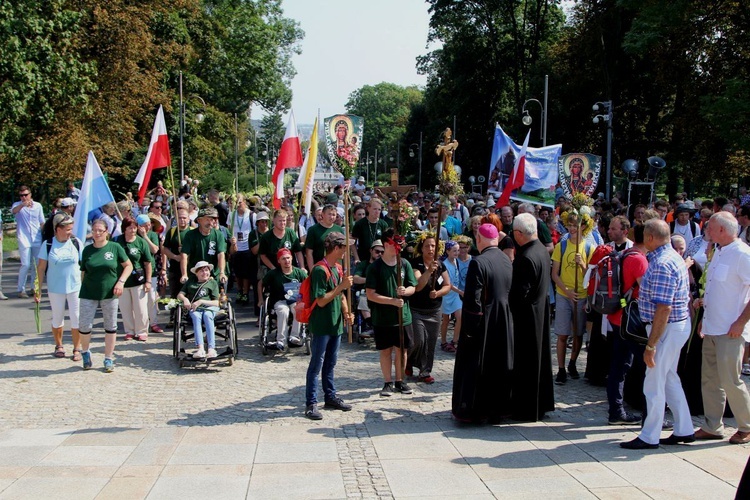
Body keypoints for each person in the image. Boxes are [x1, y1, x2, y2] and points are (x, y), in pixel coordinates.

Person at [620, 219, 693, 449]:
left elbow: (664, 308)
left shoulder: (662, 262)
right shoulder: (670, 257)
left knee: (653, 382)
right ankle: (684, 428)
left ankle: (649, 436)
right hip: (672, 327)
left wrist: (651, 346)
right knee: (669, 378)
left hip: (666, 328)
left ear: (650, 238)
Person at [693, 212, 750, 444]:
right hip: (713, 328)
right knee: (710, 380)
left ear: (723, 231)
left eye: (710, 228)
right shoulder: (718, 251)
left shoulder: (743, 254)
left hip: (731, 330)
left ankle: (746, 425)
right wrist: (704, 315)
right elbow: (716, 288)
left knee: (730, 380)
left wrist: (741, 323)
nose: (706, 232)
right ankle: (712, 425)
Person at [452, 223, 514, 423]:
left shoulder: (478, 263)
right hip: (504, 319)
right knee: (499, 366)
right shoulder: (507, 259)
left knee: (478, 366)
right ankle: (500, 409)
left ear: (479, 240)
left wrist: (469, 328)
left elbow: (473, 299)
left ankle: (475, 410)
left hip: (484, 320)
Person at [508, 213, 555, 421]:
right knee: (540, 362)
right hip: (540, 313)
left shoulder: (525, 257)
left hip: (526, 317)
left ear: (518, 234)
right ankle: (540, 404)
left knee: (526, 365)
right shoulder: (542, 251)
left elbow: (520, 292)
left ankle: (526, 408)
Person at [304, 232, 355, 420]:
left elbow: (341, 296)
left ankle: (330, 396)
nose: (345, 252)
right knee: (316, 364)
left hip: (335, 324)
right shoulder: (319, 270)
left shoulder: (338, 268)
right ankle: (311, 402)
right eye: (344, 248)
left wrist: (346, 312)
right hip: (322, 324)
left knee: (331, 363)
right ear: (336, 248)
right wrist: (341, 287)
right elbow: (322, 300)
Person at [366, 228, 418, 397]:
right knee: (386, 350)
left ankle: (400, 381)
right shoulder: (375, 267)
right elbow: (371, 294)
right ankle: (387, 382)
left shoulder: (404, 264)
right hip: (383, 317)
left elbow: (413, 286)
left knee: (401, 350)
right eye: (395, 244)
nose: (398, 248)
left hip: (403, 316)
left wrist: (406, 291)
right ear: (387, 244)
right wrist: (392, 301)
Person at [78, 219, 133, 372]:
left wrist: (121, 282)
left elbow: (128, 265)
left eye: (100, 230)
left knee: (110, 326)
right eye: (94, 230)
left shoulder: (114, 247)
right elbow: (84, 271)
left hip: (110, 291)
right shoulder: (87, 250)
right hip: (89, 291)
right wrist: (83, 286)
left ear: (106, 232)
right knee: (84, 325)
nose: (96, 233)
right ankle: (85, 352)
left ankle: (108, 358)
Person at [551, 212, 594, 385]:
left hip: (581, 296)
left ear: (583, 227)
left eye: (575, 225)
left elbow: (590, 277)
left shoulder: (589, 248)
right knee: (562, 334)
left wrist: (583, 265)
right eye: (569, 225)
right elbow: (554, 274)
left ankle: (572, 363)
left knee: (577, 334)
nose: (571, 228)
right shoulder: (561, 246)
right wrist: (567, 291)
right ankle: (560, 368)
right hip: (564, 294)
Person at [35, 213, 83, 360]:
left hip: (74, 286)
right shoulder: (48, 244)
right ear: (58, 229)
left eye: (71, 228)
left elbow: (84, 266)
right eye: (68, 229)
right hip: (55, 287)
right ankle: (59, 345)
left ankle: (77, 348)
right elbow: (41, 268)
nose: (70, 232)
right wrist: (38, 290)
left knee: (76, 317)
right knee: (57, 317)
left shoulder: (76, 242)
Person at [408, 232, 451, 384]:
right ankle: (410, 361)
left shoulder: (441, 265)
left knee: (431, 342)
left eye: (433, 246)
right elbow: (418, 286)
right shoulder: (415, 264)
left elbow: (448, 285)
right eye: (427, 246)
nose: (430, 249)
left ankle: (425, 371)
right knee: (418, 340)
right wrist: (428, 271)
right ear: (422, 248)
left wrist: (438, 293)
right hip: (416, 309)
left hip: (434, 310)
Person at [115, 217, 154, 342]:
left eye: (134, 228)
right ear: (124, 229)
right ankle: (129, 330)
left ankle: (141, 331)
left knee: (140, 308)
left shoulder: (141, 242)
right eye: (130, 228)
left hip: (138, 278)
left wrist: (148, 281)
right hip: (122, 280)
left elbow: (148, 262)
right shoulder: (117, 241)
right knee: (125, 308)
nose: (132, 230)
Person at [262, 248, 308, 350]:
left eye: (288, 258)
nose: (286, 261)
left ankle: (294, 337)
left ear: (292, 258)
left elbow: (308, 286)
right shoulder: (273, 273)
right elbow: (261, 283)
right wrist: (261, 299)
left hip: (295, 300)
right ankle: (280, 340)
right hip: (279, 301)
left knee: (298, 308)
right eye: (283, 259)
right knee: (283, 311)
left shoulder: (299, 273)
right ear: (279, 261)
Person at [177, 260, 221, 359]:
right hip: (195, 308)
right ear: (196, 273)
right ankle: (200, 348)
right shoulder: (191, 282)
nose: (205, 273)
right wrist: (185, 299)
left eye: (206, 270)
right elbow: (180, 295)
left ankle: (211, 348)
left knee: (207, 315)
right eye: (201, 271)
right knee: (196, 316)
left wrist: (201, 301)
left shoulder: (212, 282)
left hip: (209, 307)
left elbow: (217, 302)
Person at [12, 185, 45, 298]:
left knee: (36, 264)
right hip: (24, 238)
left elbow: (41, 221)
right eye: (21, 195)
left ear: (30, 195)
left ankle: (33, 287)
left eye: (25, 195)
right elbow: (14, 211)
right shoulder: (17, 205)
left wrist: (44, 234)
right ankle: (21, 289)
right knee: (25, 264)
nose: (24, 197)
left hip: (36, 238)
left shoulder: (38, 206)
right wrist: (22, 205)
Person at [180, 207, 227, 284]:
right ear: (199, 220)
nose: (210, 222)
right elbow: (184, 255)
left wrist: (222, 272)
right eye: (207, 219)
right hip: (195, 274)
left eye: (212, 220)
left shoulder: (218, 235)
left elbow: (221, 254)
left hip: (213, 274)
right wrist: (184, 274)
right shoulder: (190, 235)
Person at [136, 214, 164, 334]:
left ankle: (153, 322)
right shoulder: (133, 235)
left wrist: (145, 236)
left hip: (151, 270)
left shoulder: (153, 235)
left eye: (149, 225)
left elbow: (155, 250)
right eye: (145, 225)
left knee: (151, 298)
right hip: (137, 270)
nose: (148, 227)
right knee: (139, 298)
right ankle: (141, 324)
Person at [228, 195, 254, 305]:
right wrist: (231, 240)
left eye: (240, 202)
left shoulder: (252, 215)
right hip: (236, 247)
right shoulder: (232, 215)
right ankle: (239, 290)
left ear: (245, 202)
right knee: (237, 272)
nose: (238, 205)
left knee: (246, 272)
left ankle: (246, 292)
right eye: (236, 203)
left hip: (247, 246)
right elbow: (229, 229)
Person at [305, 204, 345, 271]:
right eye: (329, 214)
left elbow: (344, 250)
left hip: (337, 269)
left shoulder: (339, 229)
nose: (331, 217)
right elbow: (309, 252)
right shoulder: (313, 230)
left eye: (334, 215)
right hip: (320, 268)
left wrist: (345, 268)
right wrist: (312, 269)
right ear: (323, 215)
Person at [440, 241, 463, 353]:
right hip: (447, 294)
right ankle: (443, 341)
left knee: (460, 316)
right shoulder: (444, 264)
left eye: (458, 250)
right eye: (454, 250)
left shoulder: (456, 261)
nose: (457, 252)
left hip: (455, 295)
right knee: (446, 319)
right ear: (447, 251)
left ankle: (454, 341)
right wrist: (460, 292)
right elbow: (448, 283)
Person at [352, 197, 389, 263]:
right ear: (368, 208)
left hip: (379, 259)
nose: (377, 212)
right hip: (363, 259)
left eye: (379, 209)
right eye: (375, 209)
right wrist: (356, 258)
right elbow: (352, 242)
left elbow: (387, 243)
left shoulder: (383, 224)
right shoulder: (360, 224)